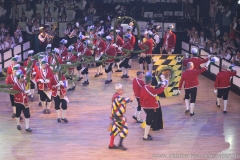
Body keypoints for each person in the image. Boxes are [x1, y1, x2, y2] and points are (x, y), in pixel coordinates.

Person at [140, 72, 167, 140]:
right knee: (149, 121)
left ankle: (146, 133)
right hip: (149, 107)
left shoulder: (144, 87)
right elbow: (159, 91)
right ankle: (145, 136)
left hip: (145, 106)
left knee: (149, 120)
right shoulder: (149, 88)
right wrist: (163, 84)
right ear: (151, 81)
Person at [109, 83, 134, 150]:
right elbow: (128, 100)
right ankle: (120, 144)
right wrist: (133, 95)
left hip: (114, 117)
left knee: (114, 130)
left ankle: (111, 145)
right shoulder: (118, 97)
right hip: (118, 118)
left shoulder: (114, 96)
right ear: (119, 90)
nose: (123, 91)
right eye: (122, 90)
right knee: (124, 128)